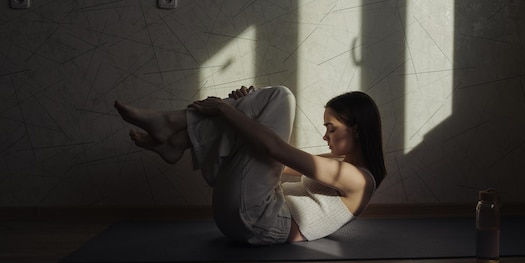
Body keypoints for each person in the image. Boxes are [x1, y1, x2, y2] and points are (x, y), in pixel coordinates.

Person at [114, 85, 386, 245]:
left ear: (358, 130)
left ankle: (174, 128)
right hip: (249, 217)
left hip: (259, 219)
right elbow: (278, 161)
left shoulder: (357, 180)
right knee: (265, 102)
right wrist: (248, 110)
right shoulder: (342, 166)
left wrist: (227, 109)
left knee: (281, 97)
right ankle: (175, 139)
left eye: (331, 128)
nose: (324, 136)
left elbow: (276, 150)